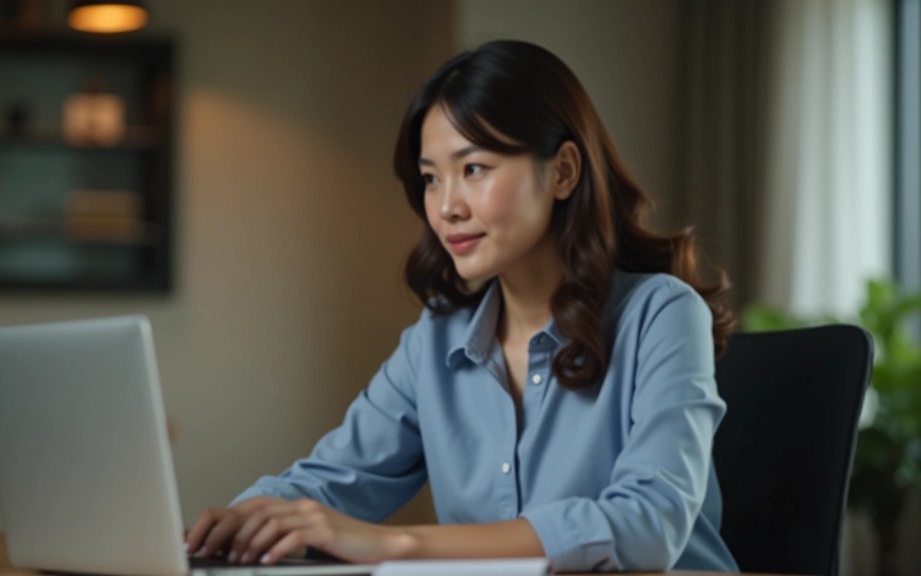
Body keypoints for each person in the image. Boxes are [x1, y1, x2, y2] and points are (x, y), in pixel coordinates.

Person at [183, 40, 739, 573]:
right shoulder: (436, 342)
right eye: (430, 178)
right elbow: (328, 480)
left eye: (474, 168)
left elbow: (648, 524)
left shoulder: (663, 315)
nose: (445, 206)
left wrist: (398, 543)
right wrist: (235, 522)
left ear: (564, 171)